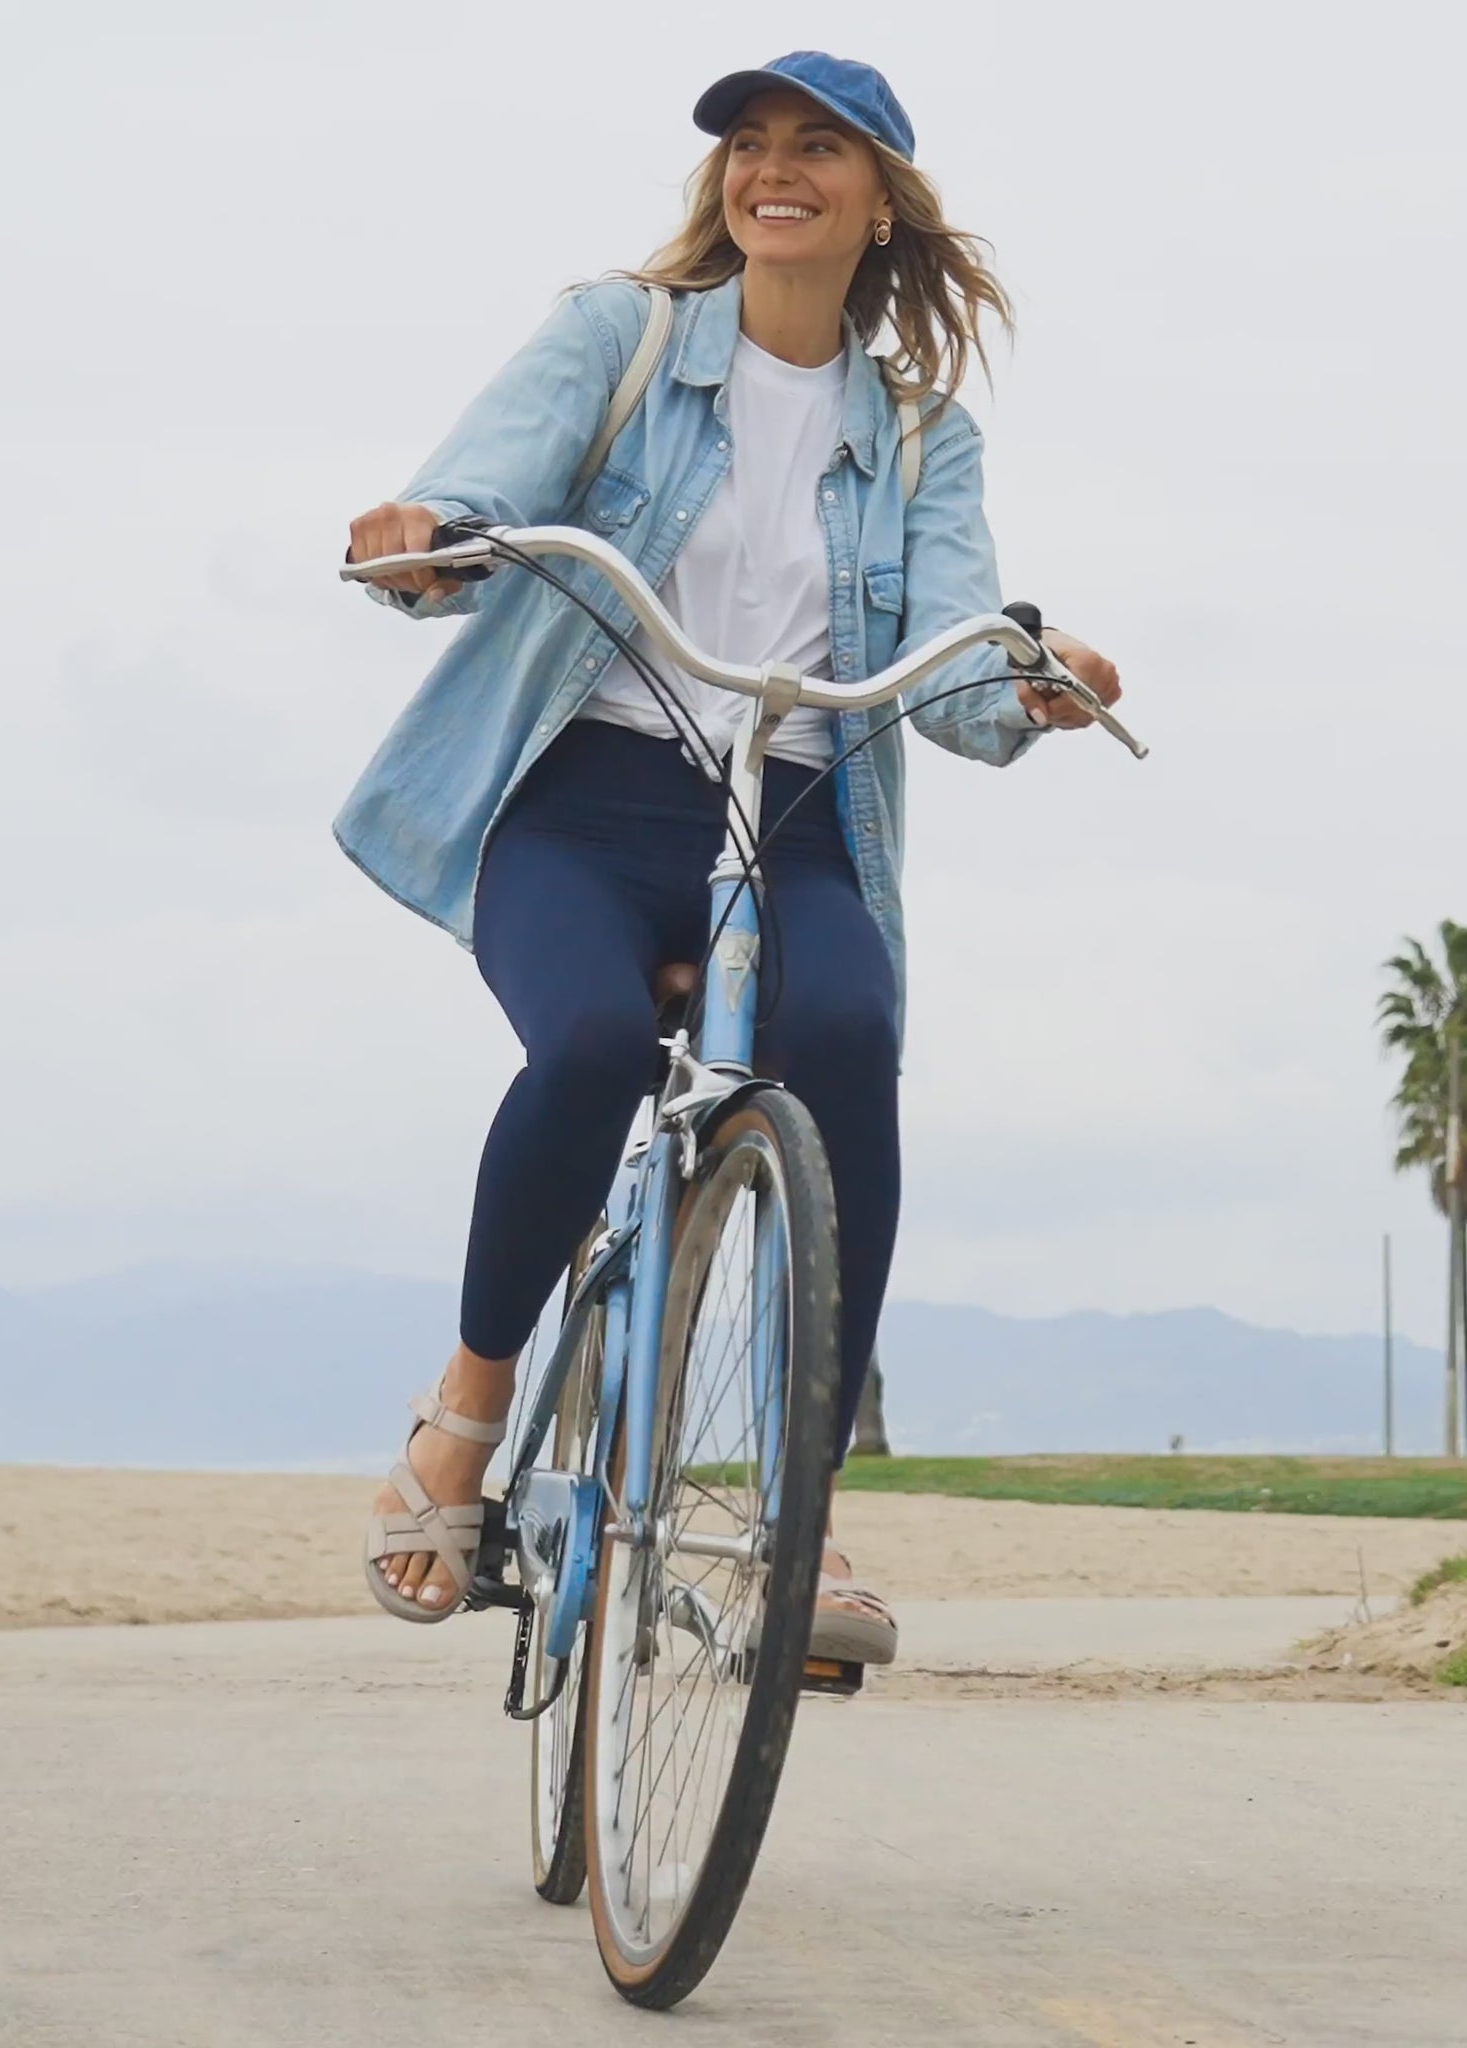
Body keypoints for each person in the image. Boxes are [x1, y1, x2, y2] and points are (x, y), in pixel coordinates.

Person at [339, 51, 1123, 1661]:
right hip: (588, 803)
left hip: (795, 818)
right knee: (588, 1045)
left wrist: (1029, 682)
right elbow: (483, 487)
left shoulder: (922, 437)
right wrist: (426, 536)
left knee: (849, 1042)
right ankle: (467, 1410)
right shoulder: (618, 338)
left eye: (817, 147)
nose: (775, 169)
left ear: (881, 201)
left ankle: (797, 1519)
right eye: (749, 144)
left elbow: (953, 658)